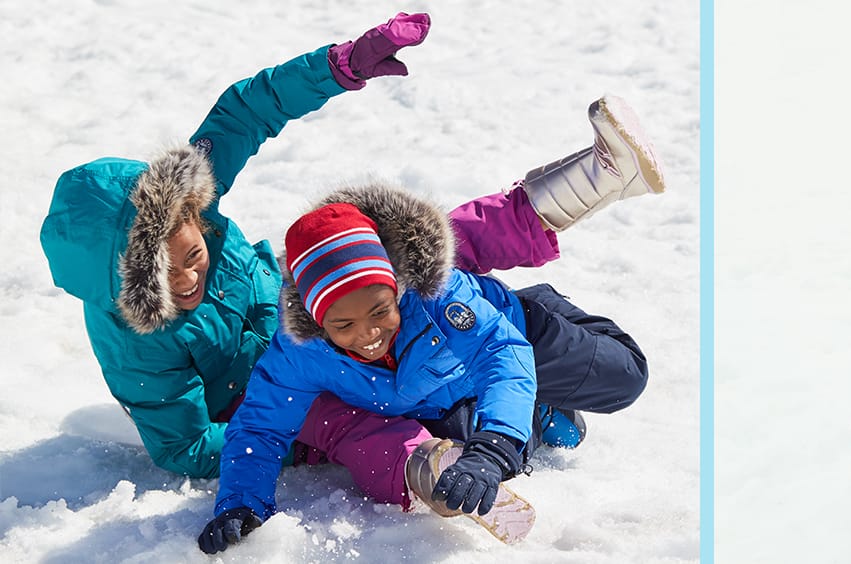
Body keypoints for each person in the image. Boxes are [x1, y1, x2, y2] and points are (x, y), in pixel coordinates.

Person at [38, 13, 663, 481]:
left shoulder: (188, 201)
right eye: (160, 278)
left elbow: (243, 113)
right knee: (411, 416)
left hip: (322, 313)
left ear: (193, 214)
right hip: (301, 387)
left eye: (192, 254)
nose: (185, 278)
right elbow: (183, 446)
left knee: (420, 251)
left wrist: (340, 65)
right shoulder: (132, 342)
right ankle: (505, 417)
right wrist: (286, 435)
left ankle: (590, 185)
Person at [197, 185, 650, 553]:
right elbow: (261, 426)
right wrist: (241, 504)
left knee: (626, 378)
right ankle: (535, 413)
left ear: (396, 288)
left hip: (513, 335)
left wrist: (494, 447)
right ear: (317, 321)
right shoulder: (299, 349)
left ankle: (542, 317)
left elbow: (501, 355)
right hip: (442, 393)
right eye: (344, 325)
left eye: (379, 311)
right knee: (462, 462)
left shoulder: (438, 294)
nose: (368, 334)